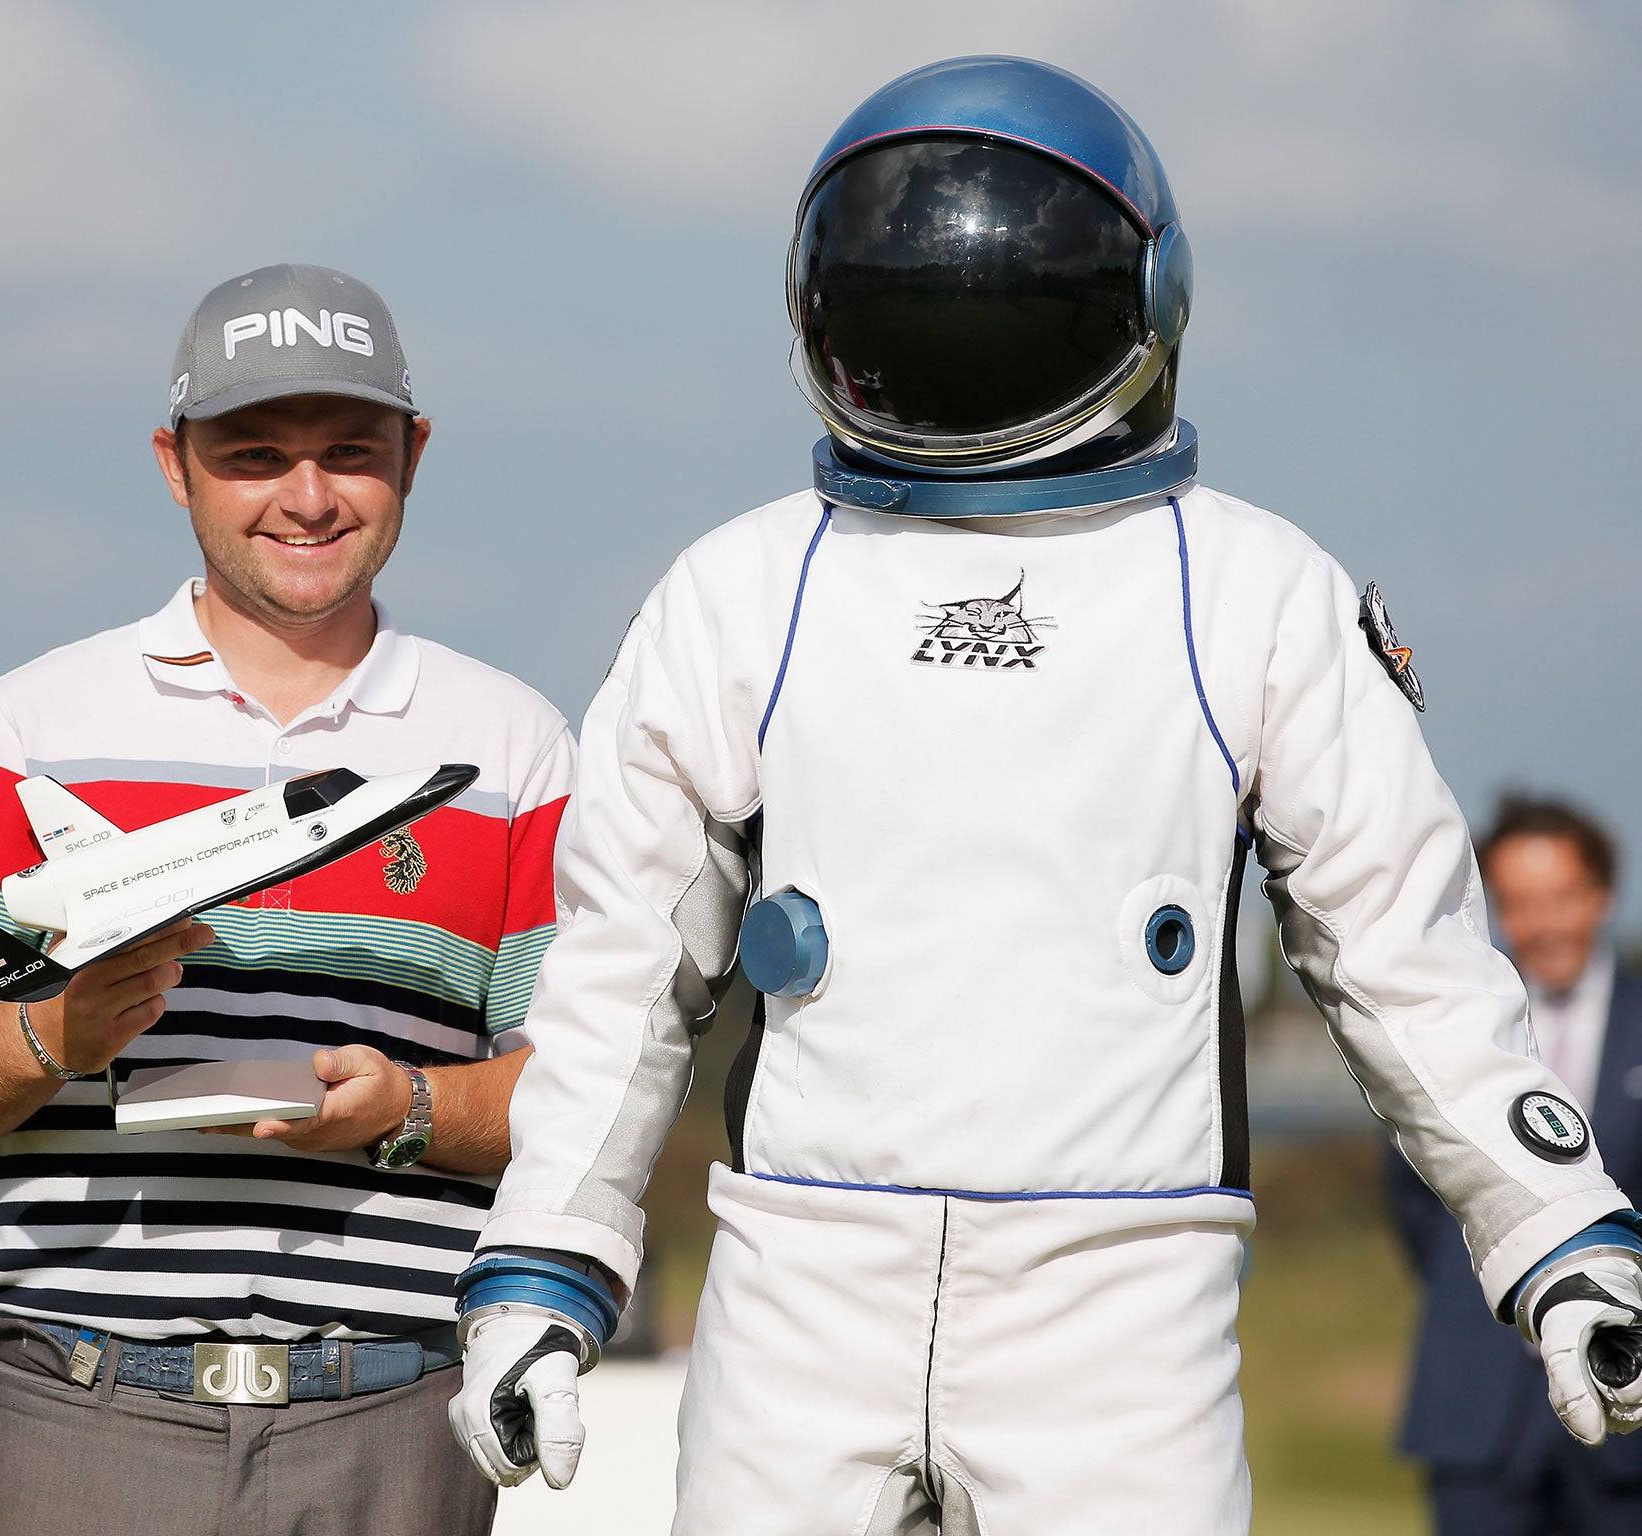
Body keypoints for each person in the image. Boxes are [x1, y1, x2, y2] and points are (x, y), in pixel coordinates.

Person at [445, 56, 1642, 1536]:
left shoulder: (1246, 590)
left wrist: (1556, 1225)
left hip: (1120, 1285)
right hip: (802, 1265)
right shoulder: (745, 591)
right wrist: (547, 1259)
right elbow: (622, 963)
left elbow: (1403, 948)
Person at [0, 264, 573, 1536]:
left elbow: (583, 1100)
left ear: (412, 455)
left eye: (348, 451)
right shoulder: (32, 725)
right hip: (75, 1420)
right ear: (173, 463)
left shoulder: (513, 743)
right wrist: (54, 1035)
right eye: (253, 455)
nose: (305, 497)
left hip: (391, 1431)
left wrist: (404, 1110)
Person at [1390, 796, 1642, 1533]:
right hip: (1477, 1407)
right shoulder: (1452, 1035)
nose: (1546, 923)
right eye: (1522, 903)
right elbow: (1413, 1201)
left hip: (1627, 1400)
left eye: (1563, 897)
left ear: (1601, 896)